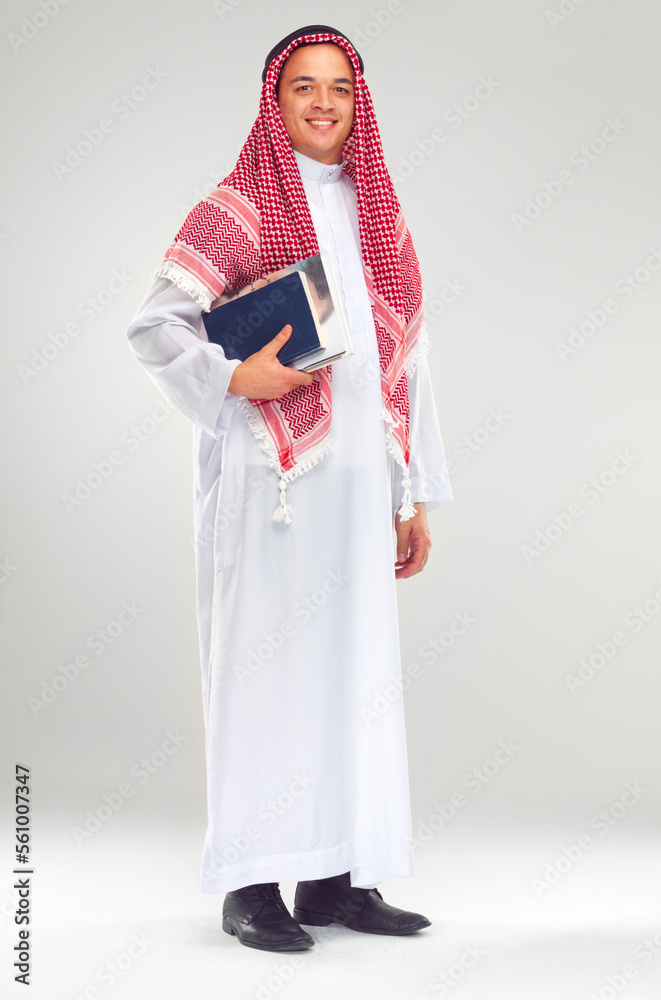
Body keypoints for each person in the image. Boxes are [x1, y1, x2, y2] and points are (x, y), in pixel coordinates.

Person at [126, 25, 453, 953]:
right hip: (268, 483)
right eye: (303, 86)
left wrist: (414, 491)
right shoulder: (234, 209)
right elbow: (154, 328)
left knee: (353, 678)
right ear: (275, 101)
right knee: (265, 674)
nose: (322, 102)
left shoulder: (378, 213)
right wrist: (234, 379)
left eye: (340, 88)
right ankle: (249, 885)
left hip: (357, 491)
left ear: (360, 102)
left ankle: (334, 877)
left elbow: (410, 364)